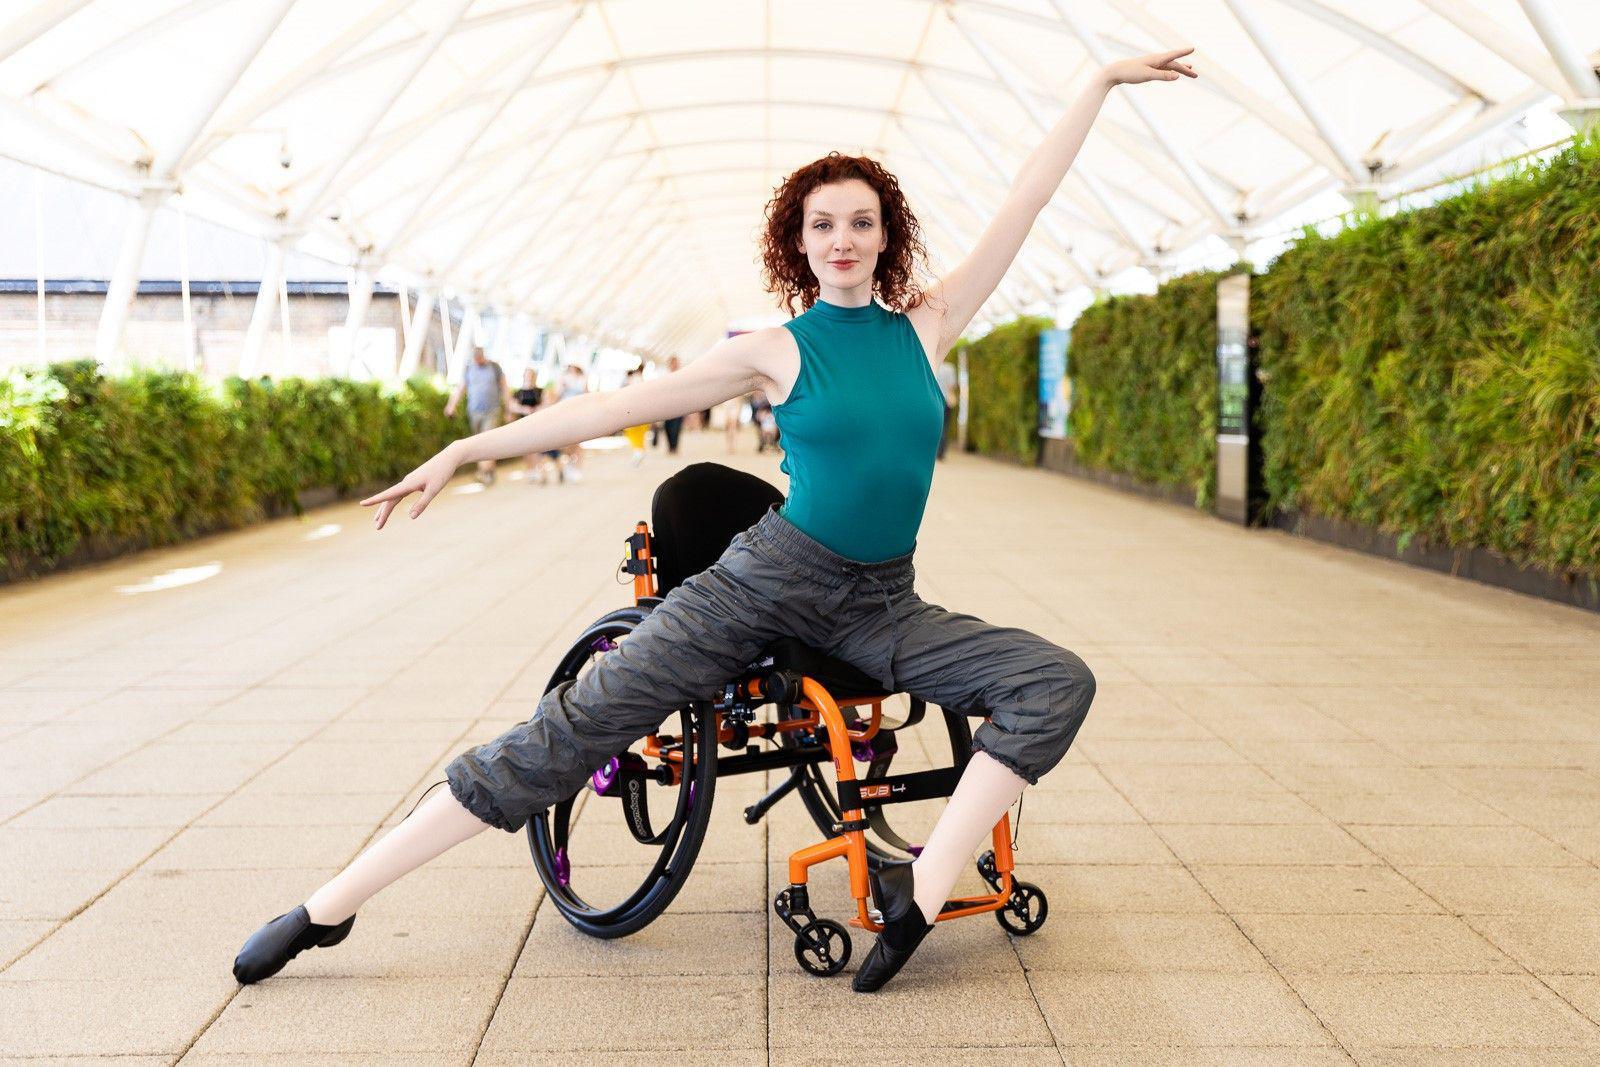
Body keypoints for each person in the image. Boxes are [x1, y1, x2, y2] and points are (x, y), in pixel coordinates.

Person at [232, 47, 1196, 993]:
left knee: (1054, 681)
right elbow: (618, 408)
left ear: (887, 236)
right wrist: (463, 450)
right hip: (762, 580)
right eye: (825, 224)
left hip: (880, 603)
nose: (845, 239)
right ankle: (330, 903)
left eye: (863, 222)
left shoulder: (927, 324)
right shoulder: (777, 348)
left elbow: (1024, 202)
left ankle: (920, 886)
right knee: (570, 732)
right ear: (801, 241)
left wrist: (1097, 85)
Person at [444, 346, 511, 485]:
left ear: (483, 356)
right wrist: (451, 405)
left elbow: (505, 388)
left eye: (479, 358)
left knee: (488, 440)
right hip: (474, 411)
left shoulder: (494, 367)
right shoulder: (469, 369)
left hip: (492, 410)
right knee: (479, 442)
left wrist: (508, 409)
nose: (477, 360)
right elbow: (460, 389)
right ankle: (488, 471)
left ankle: (483, 472)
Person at [510, 368, 560, 485]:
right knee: (525, 450)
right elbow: (512, 406)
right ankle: (530, 470)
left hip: (537, 423)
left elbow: (548, 403)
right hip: (523, 423)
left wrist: (536, 409)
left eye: (531, 375)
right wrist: (524, 409)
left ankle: (539, 471)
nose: (529, 377)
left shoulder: (540, 391)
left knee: (537, 449)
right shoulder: (518, 393)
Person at [620, 366, 649, 468]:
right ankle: (639, 450)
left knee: (632, 433)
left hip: (632, 411)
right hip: (644, 411)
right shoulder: (643, 379)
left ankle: (638, 451)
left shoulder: (631, 380)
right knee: (640, 435)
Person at [659, 356, 686, 453]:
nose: (674, 365)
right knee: (667, 427)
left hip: (679, 406)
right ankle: (670, 445)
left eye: (675, 363)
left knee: (676, 427)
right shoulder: (665, 376)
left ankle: (674, 447)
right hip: (667, 406)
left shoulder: (682, 376)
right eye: (672, 363)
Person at [935, 357, 958, 460]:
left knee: (934, 426)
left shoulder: (933, 365)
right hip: (946, 400)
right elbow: (952, 386)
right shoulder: (950, 368)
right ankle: (941, 452)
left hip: (934, 399)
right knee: (945, 426)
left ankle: (934, 451)